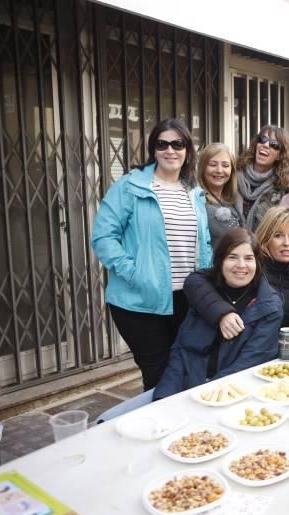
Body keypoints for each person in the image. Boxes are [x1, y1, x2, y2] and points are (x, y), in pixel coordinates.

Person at [92, 118, 212, 391]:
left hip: (186, 298)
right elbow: (103, 237)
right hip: (140, 301)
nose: (170, 150)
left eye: (177, 144)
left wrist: (207, 280)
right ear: (153, 149)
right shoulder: (129, 187)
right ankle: (158, 428)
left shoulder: (193, 192)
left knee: (183, 367)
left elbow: (203, 241)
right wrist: (135, 273)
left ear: (187, 149)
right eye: (162, 144)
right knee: (158, 374)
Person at [153, 229, 282, 400]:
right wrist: (163, 398)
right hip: (188, 386)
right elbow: (182, 352)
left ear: (258, 263)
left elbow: (248, 364)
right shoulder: (205, 295)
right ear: (220, 261)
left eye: (249, 258)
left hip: (232, 393)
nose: (241, 265)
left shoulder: (269, 306)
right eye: (232, 257)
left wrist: (205, 396)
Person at [183, 206, 289, 334]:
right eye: (278, 235)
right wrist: (222, 313)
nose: (287, 243)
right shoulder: (248, 270)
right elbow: (195, 280)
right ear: (266, 238)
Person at [237, 125, 289, 231]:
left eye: (274, 144)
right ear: (256, 144)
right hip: (231, 244)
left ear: (280, 156)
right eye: (262, 139)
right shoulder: (233, 174)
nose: (266, 145)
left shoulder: (282, 188)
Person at [197, 142, 243, 246]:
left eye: (225, 165)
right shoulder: (196, 202)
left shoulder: (236, 200)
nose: (219, 170)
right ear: (202, 168)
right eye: (213, 164)